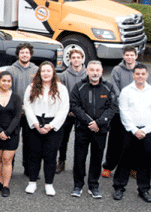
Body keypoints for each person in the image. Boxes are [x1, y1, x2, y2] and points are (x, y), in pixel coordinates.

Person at [68, 60, 116, 199]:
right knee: (79, 157)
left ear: (101, 72)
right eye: (92, 70)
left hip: (100, 130)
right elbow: (74, 106)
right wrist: (90, 122)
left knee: (97, 158)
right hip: (83, 129)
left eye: (98, 70)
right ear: (87, 71)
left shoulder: (109, 87)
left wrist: (99, 123)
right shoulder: (79, 87)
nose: (95, 73)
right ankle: (78, 185)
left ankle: (93, 185)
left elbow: (112, 107)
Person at [112, 63, 151, 203]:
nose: (140, 76)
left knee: (145, 160)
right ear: (133, 75)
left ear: (147, 75)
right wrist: (134, 129)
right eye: (137, 74)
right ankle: (119, 187)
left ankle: (144, 189)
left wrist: (144, 130)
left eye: (143, 74)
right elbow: (124, 112)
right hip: (129, 130)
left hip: (147, 131)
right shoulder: (126, 91)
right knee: (125, 157)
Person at [22, 62, 69, 196]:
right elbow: (28, 106)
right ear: (39, 73)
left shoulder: (61, 89)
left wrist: (51, 125)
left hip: (53, 125)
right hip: (35, 123)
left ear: (53, 72)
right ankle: (32, 182)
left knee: (50, 156)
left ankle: (49, 184)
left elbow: (64, 109)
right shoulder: (32, 87)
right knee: (34, 155)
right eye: (43, 71)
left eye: (48, 71)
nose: (46, 74)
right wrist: (36, 124)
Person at [101, 45, 141, 178]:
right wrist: (125, 103)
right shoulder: (117, 70)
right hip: (119, 111)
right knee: (115, 140)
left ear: (136, 55)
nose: (129, 57)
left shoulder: (141, 69)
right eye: (127, 55)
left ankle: (133, 167)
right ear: (124, 56)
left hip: (136, 112)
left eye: (132, 55)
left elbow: (146, 87)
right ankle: (109, 166)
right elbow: (114, 90)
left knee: (134, 141)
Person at [0, 71, 22, 198]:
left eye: (9, 81)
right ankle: (0, 182)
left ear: (11, 83)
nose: (6, 83)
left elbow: (17, 117)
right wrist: (0, 132)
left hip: (12, 133)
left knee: (7, 159)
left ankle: (6, 185)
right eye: (4, 80)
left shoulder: (16, 97)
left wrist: (7, 132)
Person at [5, 43, 38, 180]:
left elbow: (38, 90)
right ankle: (9, 168)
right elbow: (7, 90)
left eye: (27, 52)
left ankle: (28, 168)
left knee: (30, 142)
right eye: (22, 52)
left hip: (31, 112)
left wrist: (29, 107)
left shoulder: (36, 70)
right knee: (12, 141)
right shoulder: (11, 70)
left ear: (30, 54)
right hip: (15, 112)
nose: (25, 54)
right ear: (18, 54)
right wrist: (19, 106)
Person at [56, 48, 86, 174]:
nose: (76, 60)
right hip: (67, 113)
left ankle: (79, 165)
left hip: (82, 113)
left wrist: (80, 111)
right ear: (70, 60)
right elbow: (61, 95)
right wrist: (68, 110)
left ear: (82, 59)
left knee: (81, 141)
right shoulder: (63, 75)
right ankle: (61, 161)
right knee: (63, 139)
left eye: (78, 57)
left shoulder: (87, 75)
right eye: (73, 58)